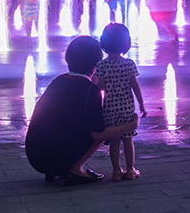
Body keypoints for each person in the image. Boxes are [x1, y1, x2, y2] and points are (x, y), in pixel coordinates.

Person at [25, 36, 136, 186]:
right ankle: (76, 169)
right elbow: (98, 134)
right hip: (57, 157)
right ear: (96, 63)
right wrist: (131, 125)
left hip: (36, 155)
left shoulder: (58, 80)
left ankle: (56, 171)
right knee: (103, 126)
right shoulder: (90, 90)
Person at [92, 24, 145, 180]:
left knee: (114, 139)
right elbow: (135, 85)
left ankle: (116, 171)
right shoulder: (128, 64)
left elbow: (100, 88)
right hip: (126, 107)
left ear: (103, 42)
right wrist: (141, 104)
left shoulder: (101, 65)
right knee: (128, 139)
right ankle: (130, 170)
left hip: (109, 107)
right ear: (126, 43)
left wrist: (98, 107)